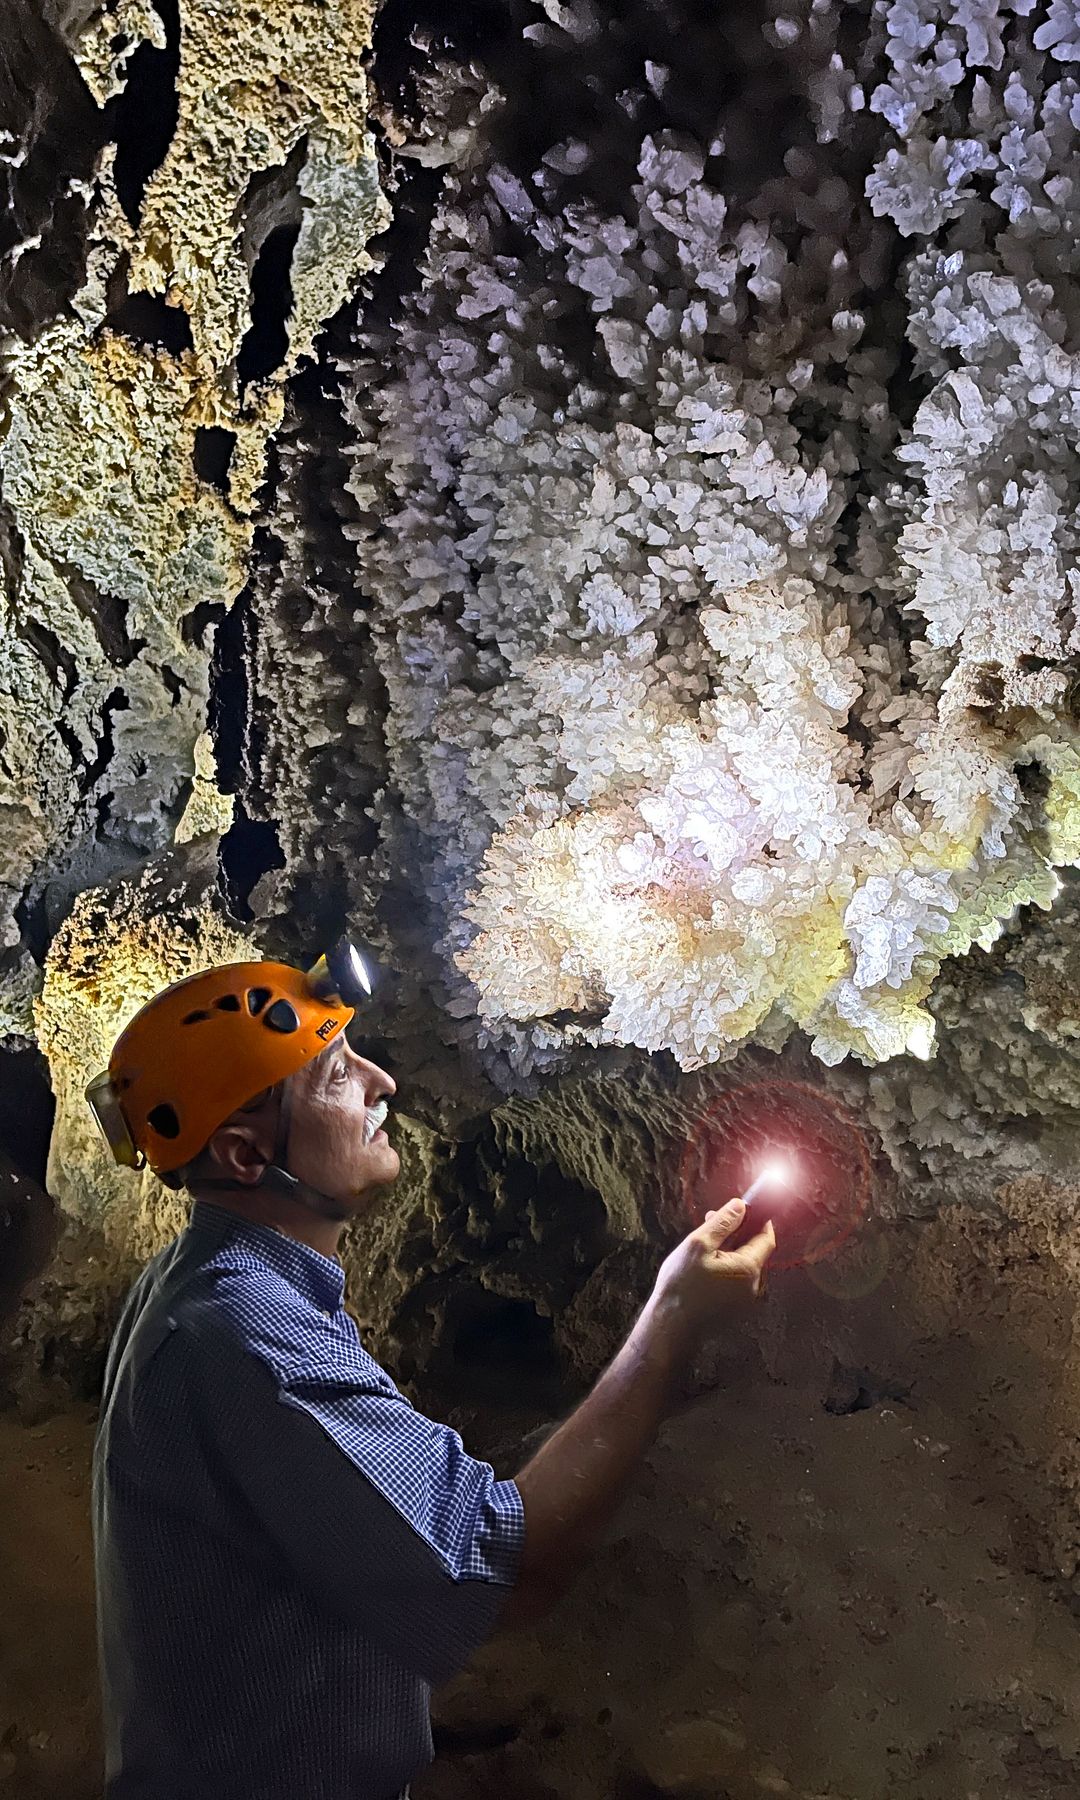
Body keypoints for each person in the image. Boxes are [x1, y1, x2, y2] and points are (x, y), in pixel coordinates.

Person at [87, 949, 775, 1800]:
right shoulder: (247, 1333)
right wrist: (671, 1319)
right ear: (242, 1154)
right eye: (336, 1074)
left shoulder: (209, 1282)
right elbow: (505, 1574)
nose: (383, 1083)